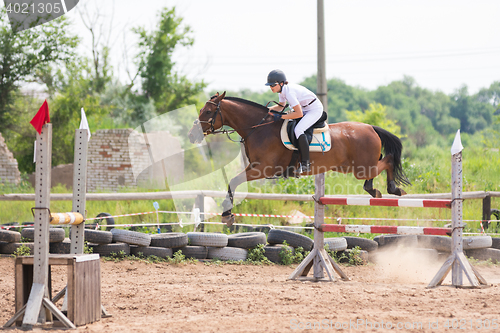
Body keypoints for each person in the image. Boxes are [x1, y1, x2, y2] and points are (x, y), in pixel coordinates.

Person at [266, 69, 324, 174]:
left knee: (298, 129)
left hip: (314, 110)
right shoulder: (282, 91)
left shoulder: (289, 92)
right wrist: (266, 110)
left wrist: (281, 117)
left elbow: (299, 114)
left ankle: (306, 164)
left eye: (273, 85)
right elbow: (281, 106)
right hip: (305, 108)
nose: (271, 87)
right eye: (270, 85)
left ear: (281, 83)